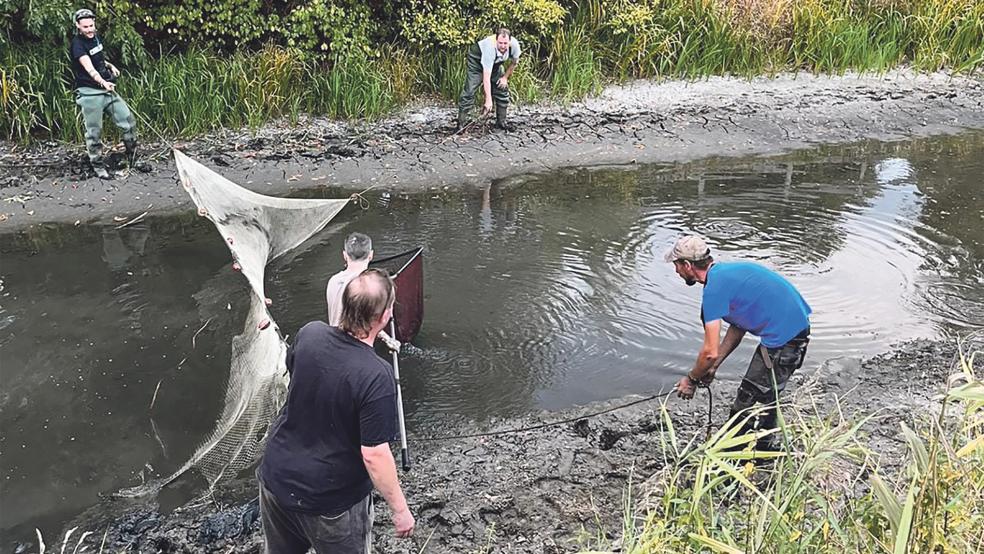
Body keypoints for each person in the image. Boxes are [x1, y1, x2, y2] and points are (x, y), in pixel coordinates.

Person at [259, 269, 415, 553]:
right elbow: (375, 454)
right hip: (329, 502)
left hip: (275, 479)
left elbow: (300, 379)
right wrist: (400, 509)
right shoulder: (376, 376)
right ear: (384, 316)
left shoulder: (310, 333)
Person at [668, 236, 811, 450]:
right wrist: (715, 366)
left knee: (749, 397)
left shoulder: (714, 291)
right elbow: (738, 325)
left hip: (786, 338)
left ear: (687, 265)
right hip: (790, 330)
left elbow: (709, 352)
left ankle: (734, 452)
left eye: (676, 265)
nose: (676, 271)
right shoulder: (726, 274)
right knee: (767, 394)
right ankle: (764, 448)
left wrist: (691, 380)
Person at [69, 8, 150, 179]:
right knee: (94, 132)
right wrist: (103, 81)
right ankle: (98, 165)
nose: (90, 29)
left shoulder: (95, 37)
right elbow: (88, 67)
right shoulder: (77, 44)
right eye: (85, 27)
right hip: (90, 93)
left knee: (128, 122)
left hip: (107, 90)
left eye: (91, 25)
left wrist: (109, 66)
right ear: (78, 26)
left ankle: (133, 157)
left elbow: (97, 57)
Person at [457, 28, 521, 132]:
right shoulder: (489, 48)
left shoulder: (514, 46)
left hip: (495, 65)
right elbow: (486, 77)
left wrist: (504, 77)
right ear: (496, 41)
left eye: (505, 43)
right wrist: (488, 100)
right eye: (500, 43)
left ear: (509, 41)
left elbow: (514, 63)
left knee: (502, 88)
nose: (503, 46)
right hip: (476, 63)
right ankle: (461, 124)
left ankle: (501, 122)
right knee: (469, 92)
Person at [326, 232, 374, 326]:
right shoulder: (371, 284)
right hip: (354, 339)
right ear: (371, 255)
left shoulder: (333, 281)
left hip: (332, 337)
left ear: (344, 255)